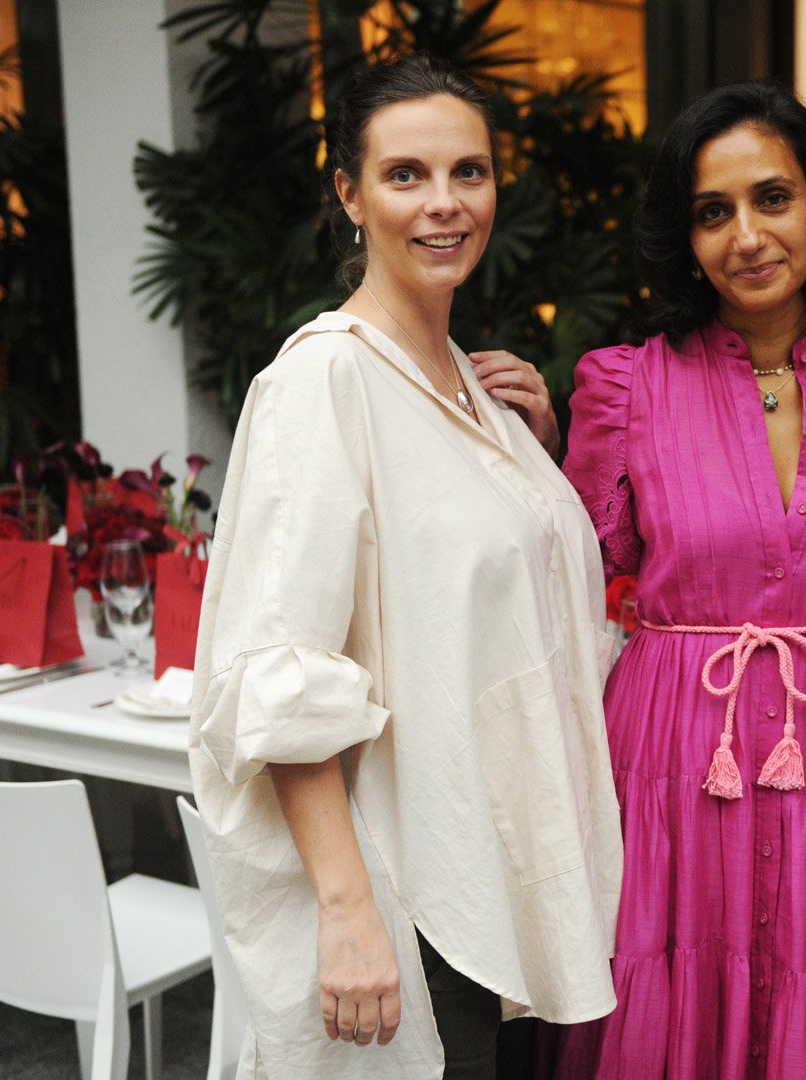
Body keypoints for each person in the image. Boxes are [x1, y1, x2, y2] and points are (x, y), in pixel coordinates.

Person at [187, 55, 623, 1080]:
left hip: (497, 870)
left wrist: (535, 460)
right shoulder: (323, 380)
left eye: (468, 173)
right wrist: (347, 913)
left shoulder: (477, 386)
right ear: (349, 194)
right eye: (405, 175)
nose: (444, 204)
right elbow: (278, 670)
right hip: (407, 882)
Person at [554, 82, 806, 1079]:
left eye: (773, 198)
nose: (747, 235)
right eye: (712, 212)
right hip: (670, 753)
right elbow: (572, 571)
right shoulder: (623, 385)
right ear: (684, 236)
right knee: (668, 986)